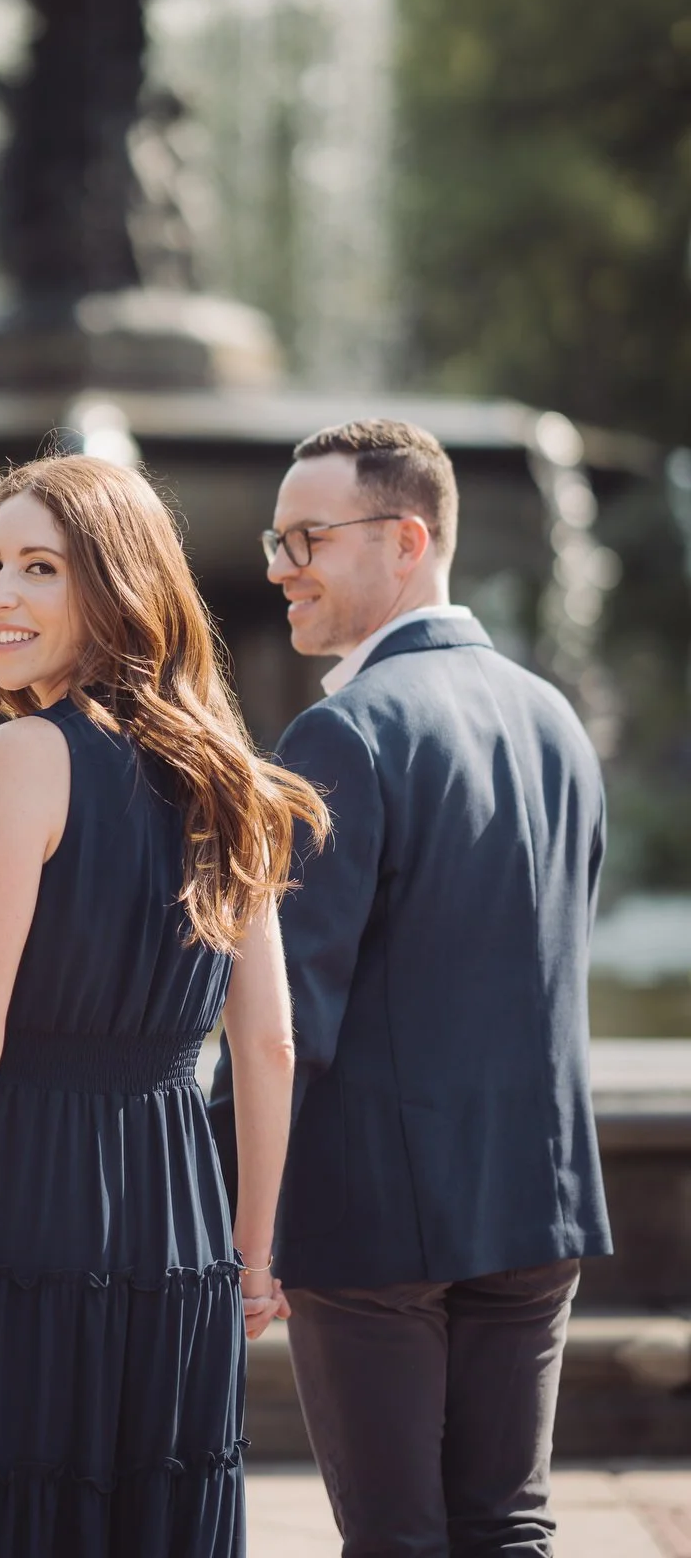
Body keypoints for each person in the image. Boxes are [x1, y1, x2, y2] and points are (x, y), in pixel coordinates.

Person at [0, 454, 329, 1558]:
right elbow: (272, 1045)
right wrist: (251, 1255)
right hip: (176, 1228)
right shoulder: (234, 780)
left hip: (14, 1213)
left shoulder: (21, 757)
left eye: (40, 569)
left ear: (116, 586)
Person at [210, 418, 612, 1558]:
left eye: (308, 538)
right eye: (276, 537)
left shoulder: (341, 733)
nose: (280, 565)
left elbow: (287, 1020)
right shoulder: (557, 721)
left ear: (406, 540)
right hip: (538, 1204)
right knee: (510, 1527)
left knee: (395, 1540)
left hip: (378, 1224)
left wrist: (204, 1191)